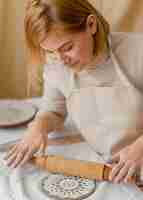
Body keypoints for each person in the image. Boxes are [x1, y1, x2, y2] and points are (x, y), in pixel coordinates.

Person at [5, 0, 143, 189]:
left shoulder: (137, 52)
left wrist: (139, 148)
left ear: (91, 25)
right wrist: (38, 128)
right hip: (111, 168)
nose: (61, 61)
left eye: (67, 48)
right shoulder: (55, 64)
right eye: (50, 52)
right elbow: (54, 110)